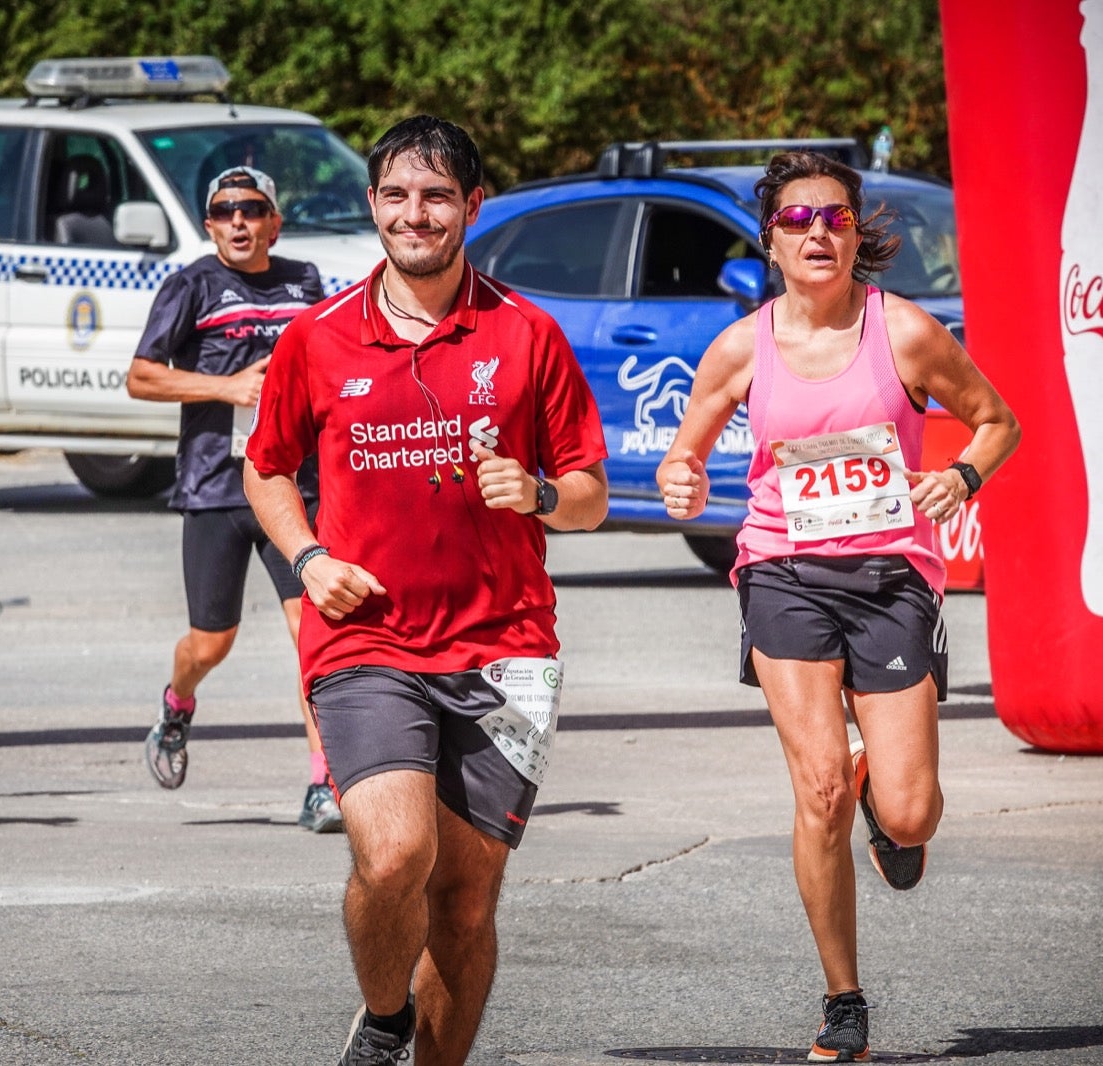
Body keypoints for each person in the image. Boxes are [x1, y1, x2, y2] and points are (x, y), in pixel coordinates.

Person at [244, 115, 608, 1065]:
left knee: (468, 896)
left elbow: (589, 496)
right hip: (369, 641)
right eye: (398, 196)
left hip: (506, 647)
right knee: (398, 853)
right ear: (372, 207)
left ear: (473, 208)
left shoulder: (527, 335)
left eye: (438, 195)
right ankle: (387, 1014)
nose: (417, 214)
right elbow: (267, 467)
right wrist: (309, 560)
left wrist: (534, 492)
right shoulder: (317, 340)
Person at [657, 151, 1019, 1063]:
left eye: (833, 215)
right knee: (815, 787)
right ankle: (843, 1002)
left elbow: (997, 419)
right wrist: (681, 477)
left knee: (911, 814)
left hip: (892, 577)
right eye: (795, 219)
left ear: (857, 230)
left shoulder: (904, 333)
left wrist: (961, 476)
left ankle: (881, 803)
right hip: (782, 571)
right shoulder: (744, 345)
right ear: (771, 239)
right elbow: (687, 448)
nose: (817, 231)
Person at [129, 166, 342, 832]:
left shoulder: (304, 282)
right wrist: (228, 389)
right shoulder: (191, 285)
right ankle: (177, 705)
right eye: (224, 211)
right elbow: (141, 378)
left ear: (275, 221)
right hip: (216, 485)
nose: (239, 221)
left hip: (292, 488)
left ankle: (325, 783)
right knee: (210, 642)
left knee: (314, 633)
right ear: (209, 225)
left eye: (252, 209)